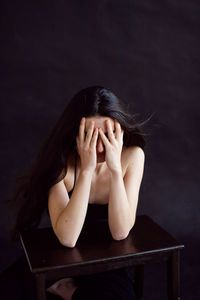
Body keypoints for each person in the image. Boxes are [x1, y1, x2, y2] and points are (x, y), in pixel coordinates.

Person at [7, 86, 146, 300]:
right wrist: (86, 170)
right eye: (90, 136)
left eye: (107, 136)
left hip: (104, 263)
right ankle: (64, 287)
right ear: (76, 134)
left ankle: (70, 292)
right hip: (61, 259)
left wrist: (115, 170)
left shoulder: (133, 157)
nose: (99, 147)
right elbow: (68, 238)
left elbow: (120, 232)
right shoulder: (61, 164)